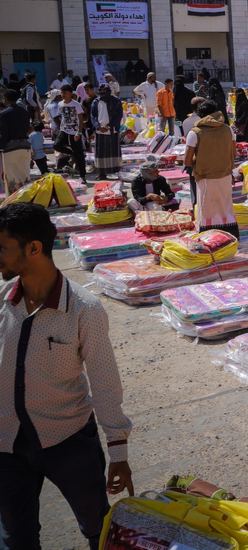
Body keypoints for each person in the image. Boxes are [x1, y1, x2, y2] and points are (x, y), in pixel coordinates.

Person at [0, 202, 135, 549]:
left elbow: (104, 383)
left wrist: (118, 451)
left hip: (69, 443)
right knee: (16, 538)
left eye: (2, 247)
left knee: (97, 529)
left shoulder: (83, 310)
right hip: (7, 445)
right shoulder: (3, 301)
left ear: (33, 248)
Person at [185, 100, 239, 236]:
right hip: (225, 174)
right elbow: (234, 153)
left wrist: (203, 159)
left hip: (206, 176)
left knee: (207, 208)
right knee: (225, 205)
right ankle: (229, 235)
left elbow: (187, 161)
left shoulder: (195, 132)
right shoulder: (228, 129)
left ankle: (210, 238)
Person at [0, 90, 32, 194]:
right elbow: (29, 128)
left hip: (11, 148)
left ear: (5, 98)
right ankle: (27, 198)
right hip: (25, 146)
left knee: (12, 178)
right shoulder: (25, 112)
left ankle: (14, 202)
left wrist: (1, 147)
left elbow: (3, 133)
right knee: (25, 176)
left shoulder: (3, 114)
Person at [54, 87, 87, 184]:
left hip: (74, 131)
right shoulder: (60, 104)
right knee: (56, 145)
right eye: (62, 92)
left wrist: (79, 132)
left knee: (79, 155)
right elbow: (63, 117)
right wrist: (60, 128)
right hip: (64, 130)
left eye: (65, 92)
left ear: (70, 93)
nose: (63, 94)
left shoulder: (76, 105)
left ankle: (82, 176)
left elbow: (81, 119)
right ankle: (71, 153)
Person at [90, 84, 123, 181]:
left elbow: (119, 115)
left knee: (114, 151)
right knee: (101, 152)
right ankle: (102, 173)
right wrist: (98, 126)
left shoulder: (116, 100)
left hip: (112, 129)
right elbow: (93, 116)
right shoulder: (96, 101)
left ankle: (116, 172)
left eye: (105, 90)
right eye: (101, 90)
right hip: (100, 130)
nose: (103, 92)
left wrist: (110, 125)